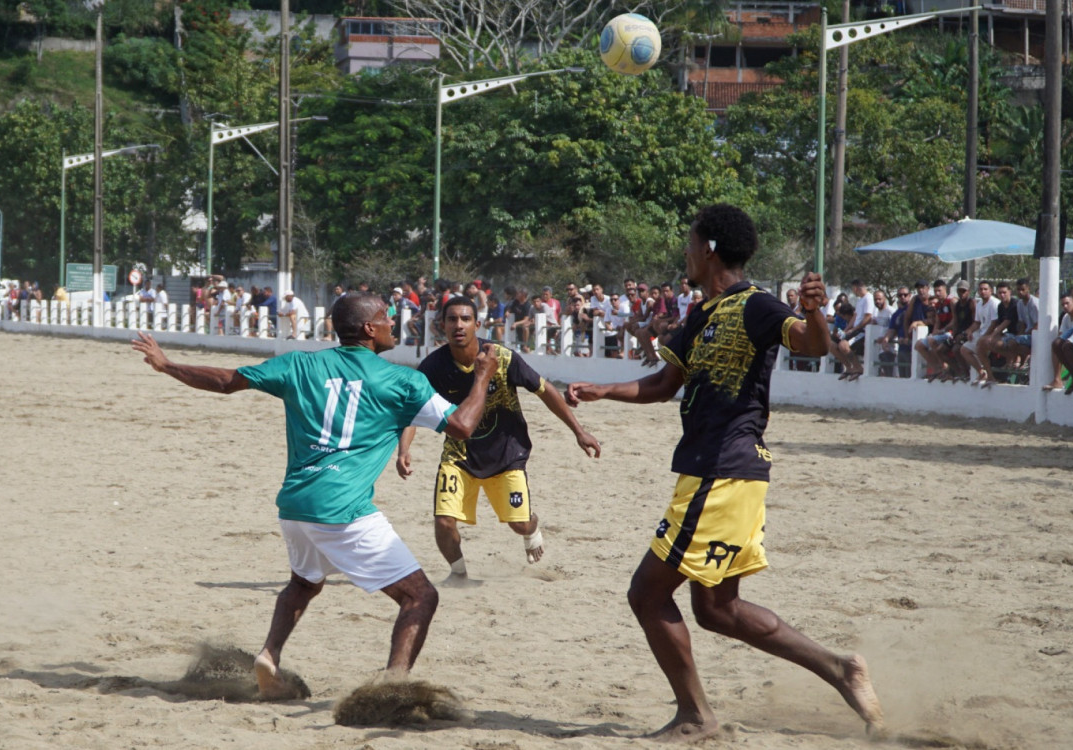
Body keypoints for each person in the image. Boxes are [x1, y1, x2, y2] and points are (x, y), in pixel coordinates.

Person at [564, 204, 883, 741]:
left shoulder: (756, 305)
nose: (685, 253)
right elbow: (665, 384)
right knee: (717, 608)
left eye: (690, 243)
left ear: (709, 248)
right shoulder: (700, 315)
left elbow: (809, 344)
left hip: (722, 472)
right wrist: (603, 390)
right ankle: (840, 668)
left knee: (647, 593)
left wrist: (815, 312)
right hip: (717, 473)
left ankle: (695, 718)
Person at [130, 293, 498, 698]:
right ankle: (391, 690)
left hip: (294, 505)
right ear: (369, 329)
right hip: (341, 509)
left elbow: (226, 381)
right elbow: (463, 425)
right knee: (421, 597)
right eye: (387, 317)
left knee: (304, 583)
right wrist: (482, 376)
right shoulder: (403, 381)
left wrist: (168, 365)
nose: (394, 322)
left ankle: (269, 656)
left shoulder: (299, 363)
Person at [397, 296, 600, 582]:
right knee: (443, 522)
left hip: (506, 456)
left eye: (465, 319)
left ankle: (532, 529)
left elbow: (544, 389)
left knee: (519, 524)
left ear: (477, 324)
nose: (459, 325)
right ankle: (458, 575)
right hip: (460, 456)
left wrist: (579, 431)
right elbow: (414, 411)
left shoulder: (501, 357)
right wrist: (404, 449)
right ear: (441, 326)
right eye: (452, 319)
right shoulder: (433, 367)